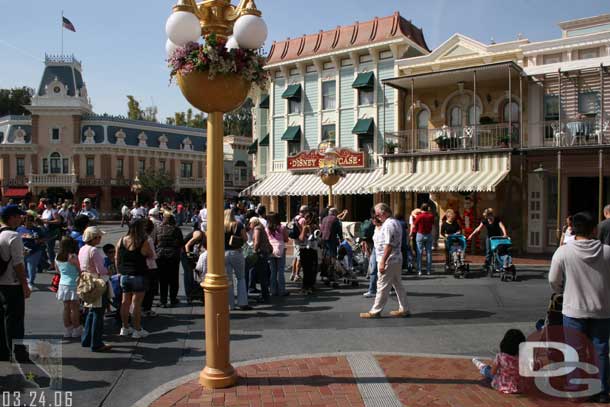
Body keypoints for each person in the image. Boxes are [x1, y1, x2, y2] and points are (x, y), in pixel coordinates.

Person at [549, 211, 610, 403]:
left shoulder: (564, 251)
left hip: (573, 308)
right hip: (602, 308)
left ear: (573, 229)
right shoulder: (607, 251)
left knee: (574, 349)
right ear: (594, 229)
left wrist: (560, 289)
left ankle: (576, 388)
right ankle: (601, 390)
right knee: (600, 349)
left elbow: (553, 279)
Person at [360, 203, 410, 319]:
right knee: (398, 284)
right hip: (396, 258)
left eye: (377, 214)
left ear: (383, 213)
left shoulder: (388, 225)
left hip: (389, 259)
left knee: (382, 285)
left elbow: (389, 245)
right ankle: (404, 308)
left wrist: (382, 261)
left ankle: (375, 310)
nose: (376, 216)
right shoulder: (394, 222)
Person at [0, 205, 31, 362]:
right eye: (18, 216)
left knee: (3, 318)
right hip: (12, 284)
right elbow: (18, 264)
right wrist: (25, 285)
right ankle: (19, 352)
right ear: (11, 217)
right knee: (16, 320)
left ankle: (3, 352)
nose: (21, 219)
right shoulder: (13, 236)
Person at [117, 218, 154, 339]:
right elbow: (150, 255)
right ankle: (137, 329)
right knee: (136, 304)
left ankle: (125, 327)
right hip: (138, 274)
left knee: (124, 303)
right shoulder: (142, 241)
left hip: (124, 275)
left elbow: (117, 258)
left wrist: (119, 271)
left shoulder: (121, 240)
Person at [79, 226, 112, 352]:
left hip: (85, 281)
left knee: (90, 311)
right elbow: (101, 269)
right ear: (94, 238)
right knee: (98, 313)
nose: (100, 238)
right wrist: (108, 271)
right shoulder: (94, 250)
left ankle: (86, 339)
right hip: (96, 283)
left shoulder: (82, 249)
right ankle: (96, 343)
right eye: (99, 236)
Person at [471, 329, 525, 394]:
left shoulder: (500, 356)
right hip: (518, 387)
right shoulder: (522, 358)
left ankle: (479, 364)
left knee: (488, 370)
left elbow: (492, 372)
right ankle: (479, 364)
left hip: (502, 384)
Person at [154, 212, 184, 307]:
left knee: (162, 279)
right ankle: (173, 299)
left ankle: (163, 301)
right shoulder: (176, 229)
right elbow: (181, 242)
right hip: (173, 256)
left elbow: (155, 242)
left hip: (160, 256)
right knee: (173, 279)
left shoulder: (158, 229)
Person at [55, 237, 82, 339]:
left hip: (62, 284)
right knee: (74, 309)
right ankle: (76, 329)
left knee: (66, 308)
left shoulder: (57, 257)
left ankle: (68, 329)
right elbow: (80, 270)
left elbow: (58, 271)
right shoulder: (73, 256)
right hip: (74, 284)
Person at [224, 209, 251, 310]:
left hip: (224, 253)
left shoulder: (221, 225)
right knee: (241, 278)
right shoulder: (238, 225)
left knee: (228, 280)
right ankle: (242, 302)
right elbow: (245, 239)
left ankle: (230, 304)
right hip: (236, 252)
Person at [17, 213, 45, 290]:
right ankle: (26, 281)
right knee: (24, 268)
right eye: (26, 220)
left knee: (31, 268)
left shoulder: (37, 230)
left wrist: (38, 240)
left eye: (30, 220)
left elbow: (44, 238)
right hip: (23, 251)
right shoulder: (19, 229)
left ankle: (31, 282)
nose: (28, 222)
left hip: (34, 251)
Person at [248, 217, 272, 302]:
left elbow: (257, 242)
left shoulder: (257, 228)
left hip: (260, 253)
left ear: (254, 222)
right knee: (263, 275)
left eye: (250, 223)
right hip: (264, 252)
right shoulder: (261, 227)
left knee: (262, 275)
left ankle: (264, 296)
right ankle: (265, 294)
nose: (249, 225)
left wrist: (254, 251)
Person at [266, 212, 289, 297]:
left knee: (273, 271)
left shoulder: (267, 228)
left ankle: (273, 290)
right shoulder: (282, 227)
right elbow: (286, 239)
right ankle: (281, 290)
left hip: (271, 249)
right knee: (281, 271)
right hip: (280, 249)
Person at [298, 211, 320, 296]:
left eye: (306, 218)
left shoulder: (306, 227)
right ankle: (311, 286)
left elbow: (301, 238)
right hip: (313, 249)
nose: (305, 219)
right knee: (312, 269)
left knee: (306, 270)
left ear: (309, 218)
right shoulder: (316, 226)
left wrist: (302, 230)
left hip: (305, 249)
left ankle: (305, 287)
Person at [412, 204, 435, 276]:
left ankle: (419, 270)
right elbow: (433, 224)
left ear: (421, 209)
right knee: (429, 253)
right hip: (428, 234)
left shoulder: (419, 216)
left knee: (419, 252)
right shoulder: (431, 216)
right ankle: (428, 270)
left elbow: (414, 224)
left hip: (420, 234)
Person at [142, 220, 159, 316]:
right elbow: (153, 255)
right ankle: (147, 309)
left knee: (143, 289)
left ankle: (141, 308)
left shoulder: (137, 238)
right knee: (150, 289)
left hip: (141, 267)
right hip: (151, 266)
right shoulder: (148, 239)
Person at [41, 200, 62, 272]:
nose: (45, 205)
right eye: (45, 204)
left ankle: (52, 264)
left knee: (50, 248)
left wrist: (48, 222)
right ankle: (47, 262)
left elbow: (58, 221)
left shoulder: (54, 211)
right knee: (43, 247)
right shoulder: (45, 211)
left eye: (47, 204)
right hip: (45, 230)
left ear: (50, 204)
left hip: (51, 231)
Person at [290, 205, 308, 282]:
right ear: (305, 211)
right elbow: (303, 230)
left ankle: (293, 273)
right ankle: (297, 274)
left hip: (295, 239)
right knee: (299, 258)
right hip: (301, 240)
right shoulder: (303, 220)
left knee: (295, 257)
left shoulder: (295, 217)